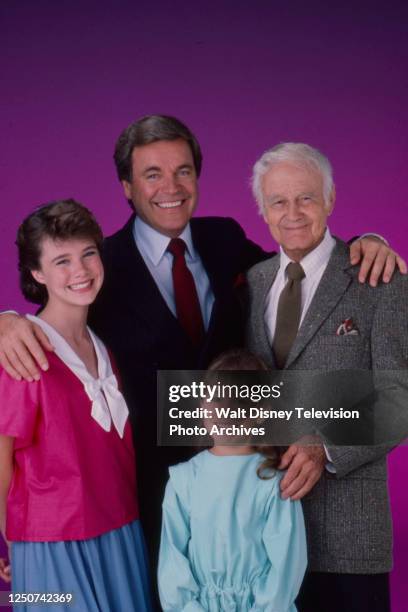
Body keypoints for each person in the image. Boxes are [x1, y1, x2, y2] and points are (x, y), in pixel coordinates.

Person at [0, 115, 405, 577]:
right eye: (152, 174)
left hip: (250, 484)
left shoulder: (225, 240)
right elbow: (55, 315)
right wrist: (6, 320)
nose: (170, 186)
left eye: (183, 171)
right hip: (151, 500)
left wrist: (368, 242)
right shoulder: (100, 267)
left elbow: (305, 268)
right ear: (127, 187)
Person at [246, 142, 408, 612]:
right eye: (278, 201)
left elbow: (400, 395)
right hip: (262, 535)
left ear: (330, 200)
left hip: (347, 540)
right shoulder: (252, 282)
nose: (292, 212)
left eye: (306, 198)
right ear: (263, 210)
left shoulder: (381, 281)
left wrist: (326, 445)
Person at [0, 200, 152, 611]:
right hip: (52, 542)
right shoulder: (22, 350)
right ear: (37, 273)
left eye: (88, 253)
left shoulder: (105, 347)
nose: (80, 271)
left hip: (122, 531)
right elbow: (1, 459)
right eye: (61, 260)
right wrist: (8, 538)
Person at [158, 349, 307, 611]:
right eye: (216, 400)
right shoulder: (184, 481)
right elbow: (172, 563)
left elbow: (287, 566)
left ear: (260, 413)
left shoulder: (274, 483)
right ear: (203, 405)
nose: (225, 412)